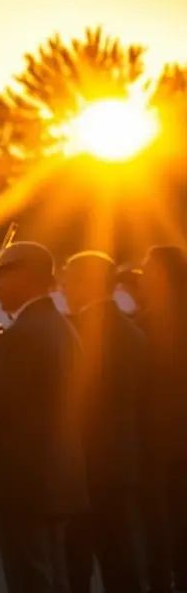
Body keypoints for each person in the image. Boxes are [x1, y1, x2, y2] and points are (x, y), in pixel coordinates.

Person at [0, 241, 87, 593]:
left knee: (30, 577)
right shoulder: (61, 326)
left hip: (24, 482)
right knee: (53, 574)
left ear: (26, 276)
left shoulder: (22, 335)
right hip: (58, 476)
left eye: (1, 275)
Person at [60, 251, 144, 593]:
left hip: (82, 457)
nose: (63, 288)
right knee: (119, 552)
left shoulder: (76, 331)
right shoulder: (132, 329)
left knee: (75, 557)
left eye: (67, 281)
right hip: (121, 454)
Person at [137, 245, 187, 592]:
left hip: (157, 439)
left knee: (158, 523)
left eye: (147, 269)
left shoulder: (146, 323)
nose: (141, 276)